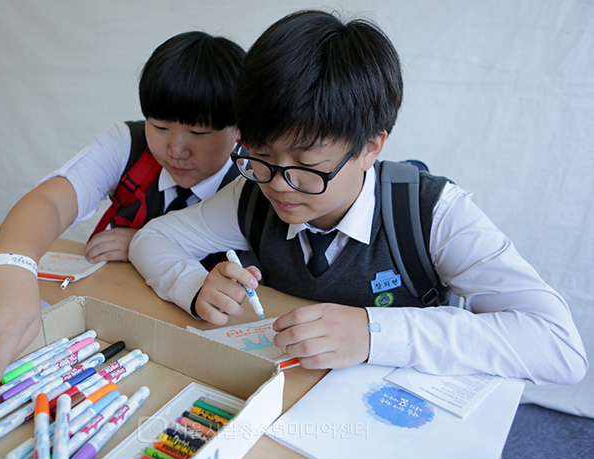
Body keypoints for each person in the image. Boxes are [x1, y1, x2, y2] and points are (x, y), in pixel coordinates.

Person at [129, 10, 588, 385]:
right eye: (261, 155)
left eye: (307, 164)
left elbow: (559, 345)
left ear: (370, 146)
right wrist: (193, 286)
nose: (280, 185)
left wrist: (373, 333)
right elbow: (154, 238)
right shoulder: (251, 196)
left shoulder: (431, 213)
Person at [0, 31, 245, 411]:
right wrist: (10, 268)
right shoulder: (128, 145)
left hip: (206, 353)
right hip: (113, 339)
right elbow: (51, 201)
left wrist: (140, 242)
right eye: (159, 127)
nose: (175, 149)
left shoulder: (259, 179)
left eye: (198, 133)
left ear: (240, 129)